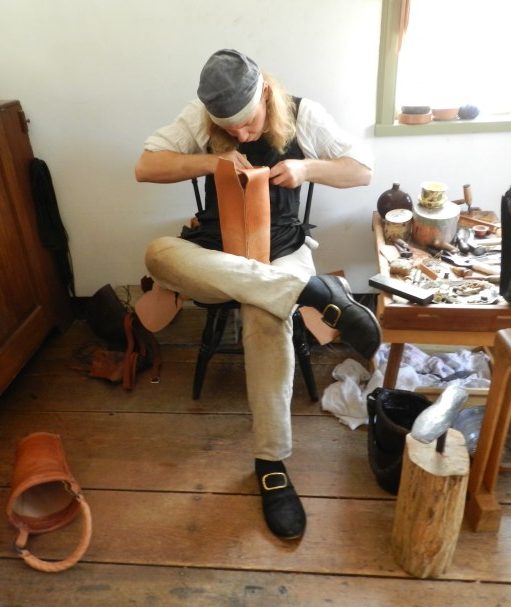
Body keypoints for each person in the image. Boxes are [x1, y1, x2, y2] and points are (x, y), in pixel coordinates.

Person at [134, 49, 381, 540]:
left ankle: (272, 465)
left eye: (249, 124)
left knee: (265, 320)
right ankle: (311, 292)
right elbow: (145, 166)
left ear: (265, 92)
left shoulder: (302, 111)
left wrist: (306, 169)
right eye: (232, 129)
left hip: (283, 249)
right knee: (159, 253)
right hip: (220, 253)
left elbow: (362, 170)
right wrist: (213, 158)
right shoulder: (202, 117)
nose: (243, 136)